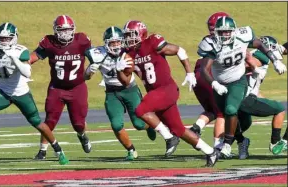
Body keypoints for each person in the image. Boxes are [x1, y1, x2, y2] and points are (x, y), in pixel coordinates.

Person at [118, 20, 219, 167]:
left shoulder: (152, 42)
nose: (128, 39)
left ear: (141, 33)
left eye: (131, 35)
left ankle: (168, 137)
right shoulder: (128, 54)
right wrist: (118, 70)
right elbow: (125, 82)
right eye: (126, 36)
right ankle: (210, 151)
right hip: (156, 93)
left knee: (141, 110)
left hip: (166, 89)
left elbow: (180, 50)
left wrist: (189, 72)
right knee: (179, 129)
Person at [199, 16, 287, 158]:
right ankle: (274, 142)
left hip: (239, 88)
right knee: (279, 109)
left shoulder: (246, 42)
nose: (225, 35)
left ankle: (228, 144)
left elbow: (273, 49)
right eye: (222, 32)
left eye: (228, 31)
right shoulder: (257, 55)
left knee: (235, 116)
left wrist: (275, 59)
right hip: (242, 94)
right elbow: (253, 58)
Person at [0, 22, 68, 165]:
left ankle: (58, 150)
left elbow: (27, 72)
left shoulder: (20, 51)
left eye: (7, 38)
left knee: (37, 122)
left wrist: (15, 60)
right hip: (3, 91)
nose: (4, 41)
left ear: (14, 38)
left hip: (21, 93)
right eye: (1, 38)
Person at [84, 26, 156, 161]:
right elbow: (85, 77)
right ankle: (131, 150)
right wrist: (89, 71)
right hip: (112, 92)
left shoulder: (128, 52)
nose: (116, 45)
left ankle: (150, 126)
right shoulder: (97, 54)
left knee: (139, 124)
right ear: (106, 43)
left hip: (130, 89)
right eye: (112, 43)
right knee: (116, 125)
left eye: (118, 42)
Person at [29, 15, 92, 160]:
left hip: (77, 87)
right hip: (57, 88)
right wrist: (23, 62)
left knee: (78, 124)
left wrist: (93, 66)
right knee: (50, 120)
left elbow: (94, 56)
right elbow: (34, 56)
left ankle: (82, 136)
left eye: (68, 30)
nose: (65, 34)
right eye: (62, 31)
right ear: (56, 31)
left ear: (73, 30)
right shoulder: (49, 43)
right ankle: (42, 150)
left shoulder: (81, 41)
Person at [230, 36, 287, 159]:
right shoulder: (262, 56)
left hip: (236, 96)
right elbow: (248, 63)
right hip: (244, 98)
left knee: (245, 123)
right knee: (280, 109)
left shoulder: (253, 53)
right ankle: (275, 142)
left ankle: (224, 146)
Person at [191, 12, 229, 151]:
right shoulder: (224, 41)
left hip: (198, 74)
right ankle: (218, 147)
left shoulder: (206, 39)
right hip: (210, 75)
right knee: (221, 113)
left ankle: (197, 127)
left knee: (211, 110)